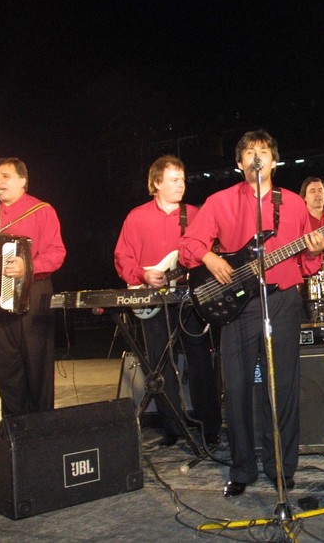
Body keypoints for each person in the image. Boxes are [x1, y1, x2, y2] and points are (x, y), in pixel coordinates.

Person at [179, 130, 324, 498]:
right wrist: (210, 257)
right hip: (237, 305)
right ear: (239, 163)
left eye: (263, 152)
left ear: (274, 161)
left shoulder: (293, 203)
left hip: (283, 301)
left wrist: (313, 250)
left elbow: (309, 262)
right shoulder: (219, 201)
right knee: (238, 387)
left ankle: (281, 466)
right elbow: (189, 245)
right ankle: (242, 467)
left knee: (284, 387)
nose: (256, 157)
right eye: (249, 152)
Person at [114, 155, 222, 448]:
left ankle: (210, 426)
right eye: (174, 180)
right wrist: (143, 274)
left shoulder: (195, 214)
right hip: (152, 299)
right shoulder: (137, 217)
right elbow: (122, 257)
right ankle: (173, 427)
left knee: (200, 361)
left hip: (188, 298)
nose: (181, 185)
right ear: (156, 183)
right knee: (159, 364)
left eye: (183, 179)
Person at [0, 157, 66, 416]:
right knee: (6, 367)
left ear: (23, 180)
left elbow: (57, 253)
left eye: (5, 176)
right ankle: (14, 429)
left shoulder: (42, 210)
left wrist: (28, 267)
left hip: (34, 293)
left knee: (36, 365)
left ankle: (42, 428)